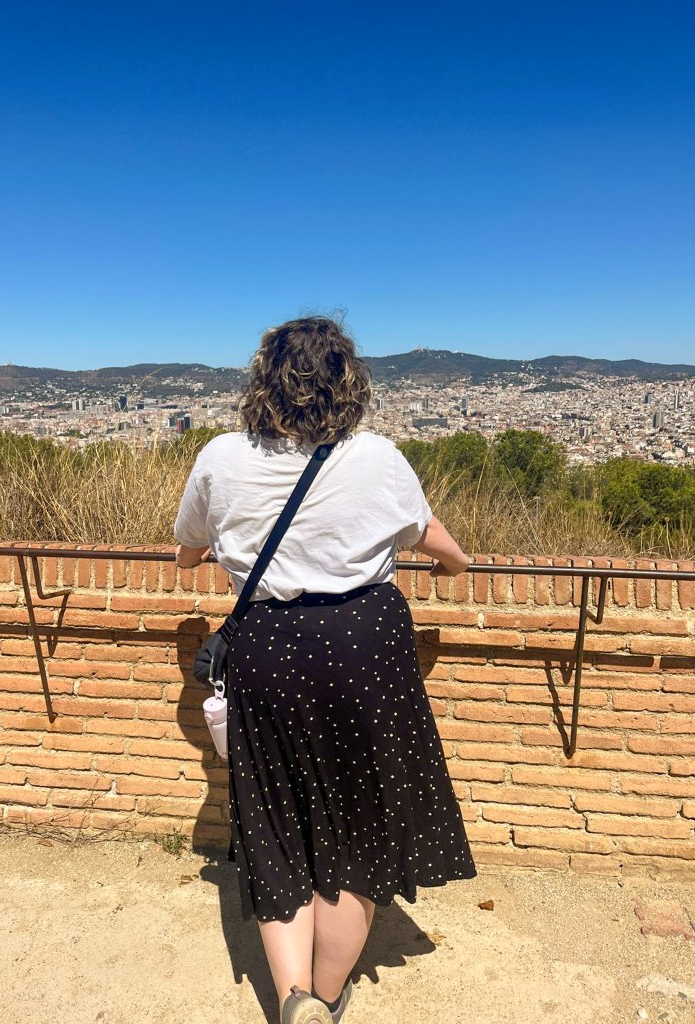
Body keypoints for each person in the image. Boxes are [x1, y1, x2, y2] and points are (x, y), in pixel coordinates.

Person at [173, 316, 477, 1024]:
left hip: (268, 647)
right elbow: (432, 539)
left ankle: (294, 1000)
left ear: (263, 378)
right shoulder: (376, 457)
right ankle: (332, 995)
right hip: (364, 645)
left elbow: (189, 547)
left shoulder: (220, 456)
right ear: (348, 379)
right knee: (361, 824)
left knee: (274, 824)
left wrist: (201, 557)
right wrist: (460, 564)